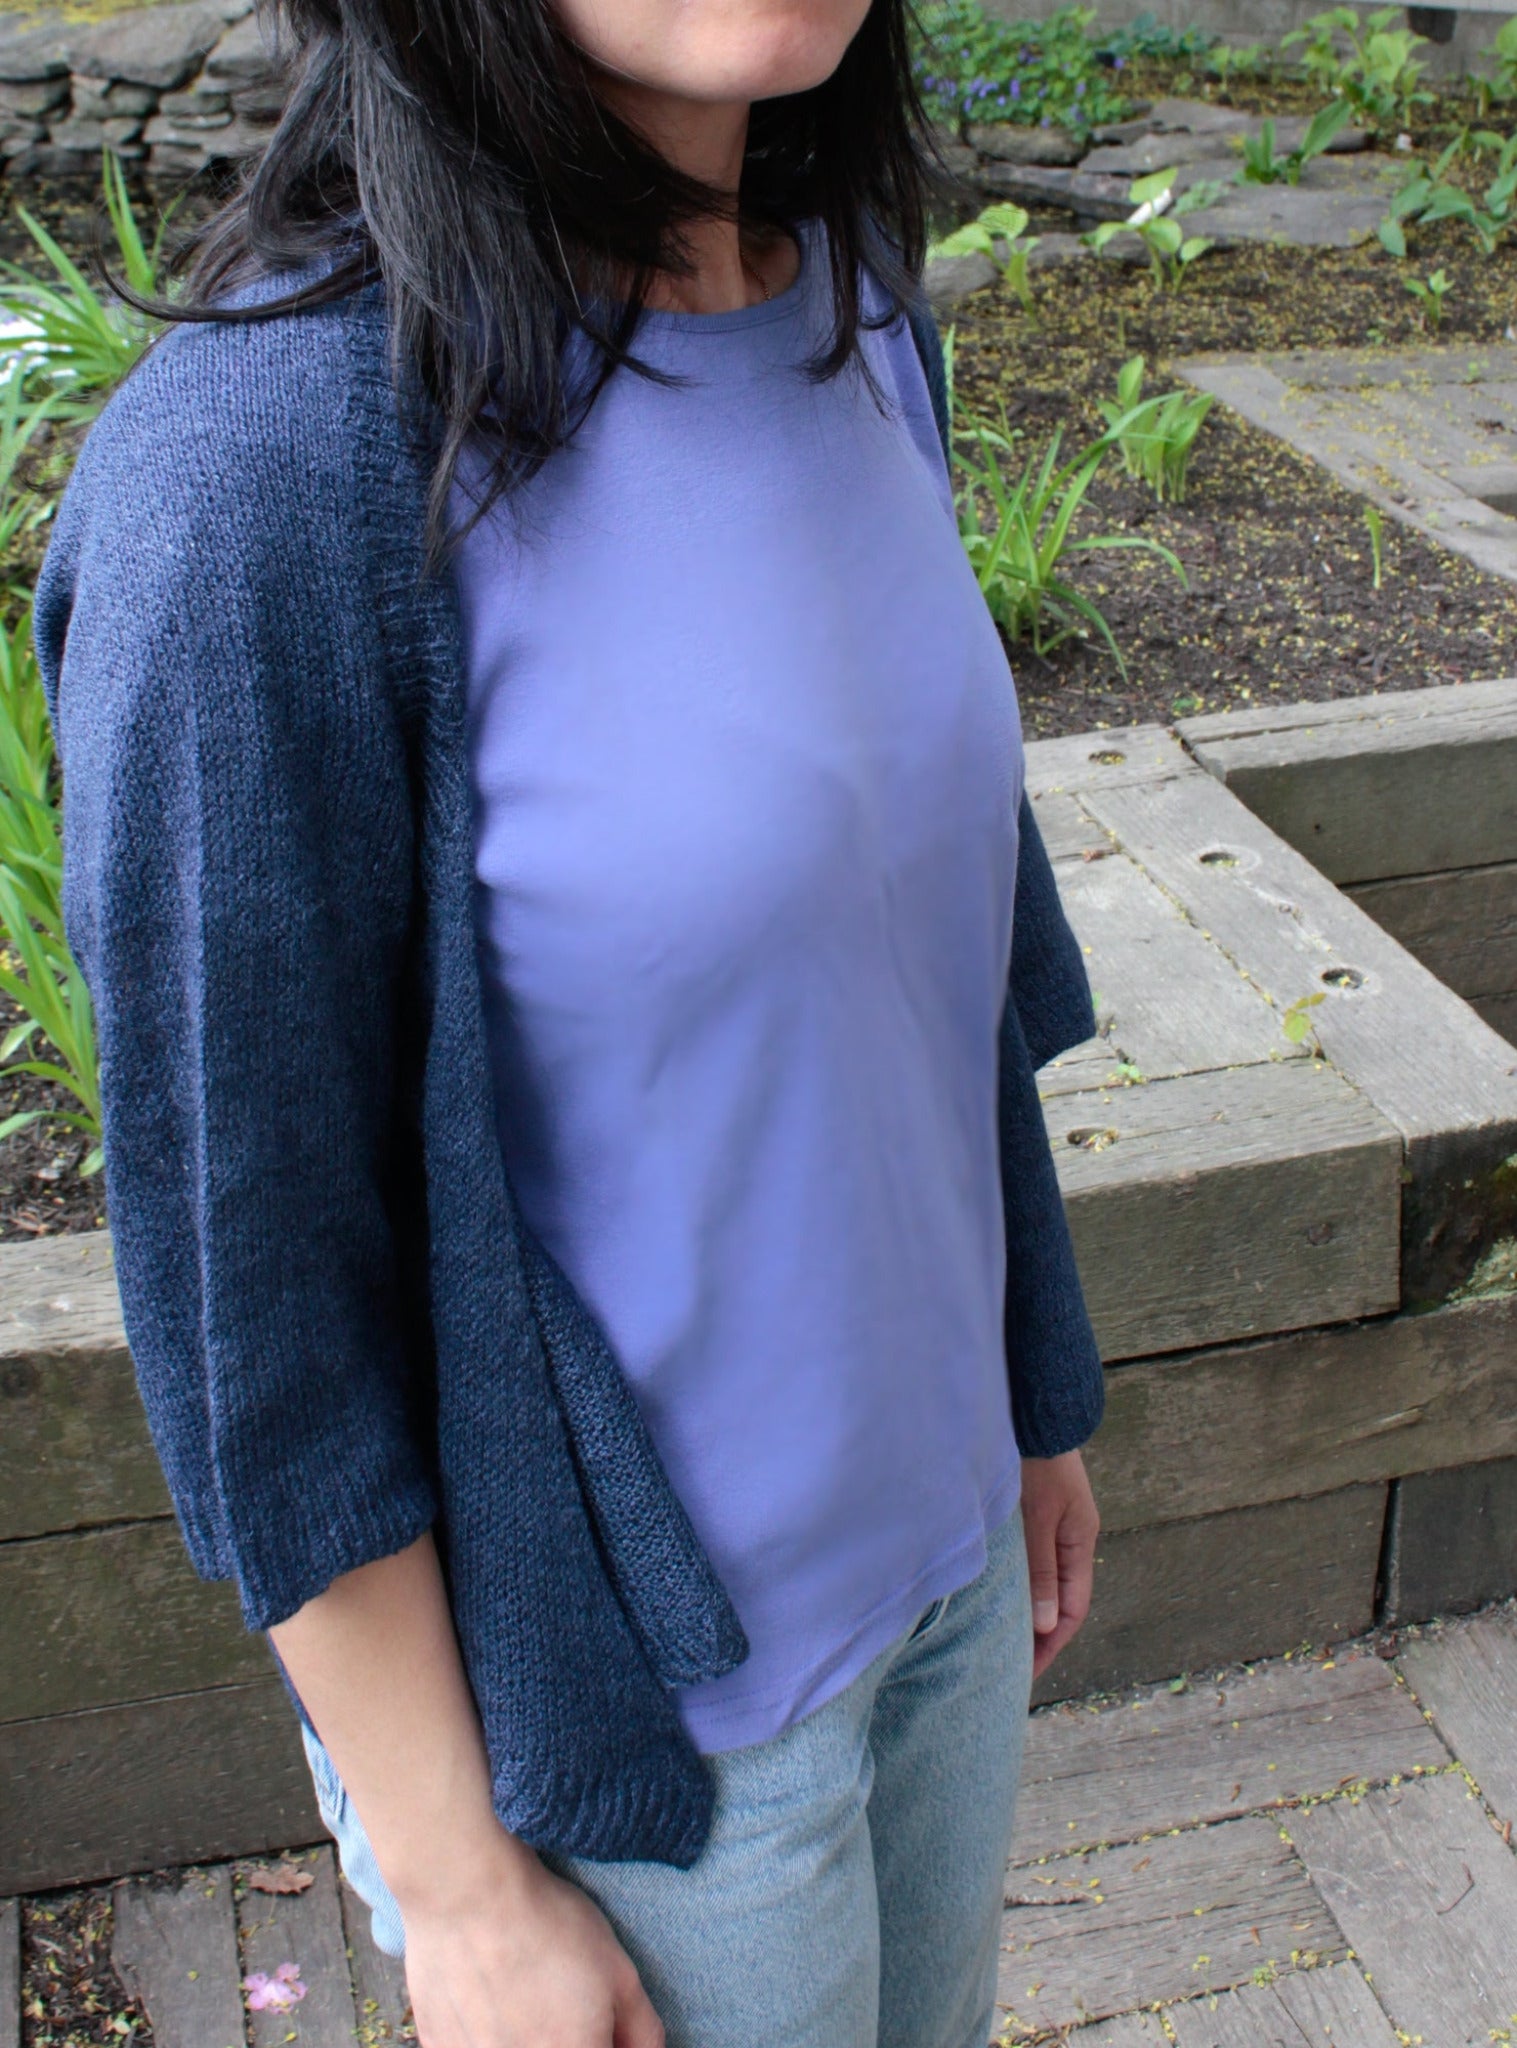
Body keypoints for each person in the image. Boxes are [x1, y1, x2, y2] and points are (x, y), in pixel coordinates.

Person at [34, 2, 1105, 2043]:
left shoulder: (867, 315)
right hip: (645, 1758)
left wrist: (1030, 1382)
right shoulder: (257, 484)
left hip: (952, 1574)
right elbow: (249, 1292)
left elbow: (927, 945)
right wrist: (454, 1884)